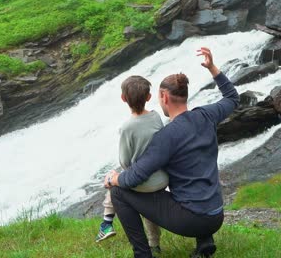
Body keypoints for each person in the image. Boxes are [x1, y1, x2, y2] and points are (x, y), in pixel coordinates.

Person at [104, 47, 239, 258]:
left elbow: (135, 176)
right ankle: (204, 242)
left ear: (164, 97)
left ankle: (143, 255)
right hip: (216, 215)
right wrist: (213, 68)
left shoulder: (166, 137)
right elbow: (232, 98)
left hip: (191, 219)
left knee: (119, 192)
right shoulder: (206, 115)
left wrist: (114, 179)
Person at [96, 75, 169, 255]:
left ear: (123, 99)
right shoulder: (156, 117)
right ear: (148, 97)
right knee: (148, 210)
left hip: (143, 183)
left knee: (114, 180)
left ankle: (106, 222)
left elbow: (125, 161)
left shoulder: (127, 127)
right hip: (162, 179)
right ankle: (154, 244)